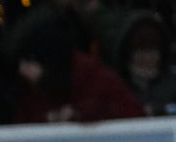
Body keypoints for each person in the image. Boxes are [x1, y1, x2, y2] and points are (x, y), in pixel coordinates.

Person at [10, 17, 145, 124]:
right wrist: (46, 119)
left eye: (30, 62)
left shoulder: (96, 78)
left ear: (49, 63)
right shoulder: (30, 88)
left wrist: (80, 113)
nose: (22, 70)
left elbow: (134, 115)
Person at [114, 11, 176, 116]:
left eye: (153, 51)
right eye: (141, 51)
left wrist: (159, 111)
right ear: (128, 53)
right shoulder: (116, 84)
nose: (147, 57)